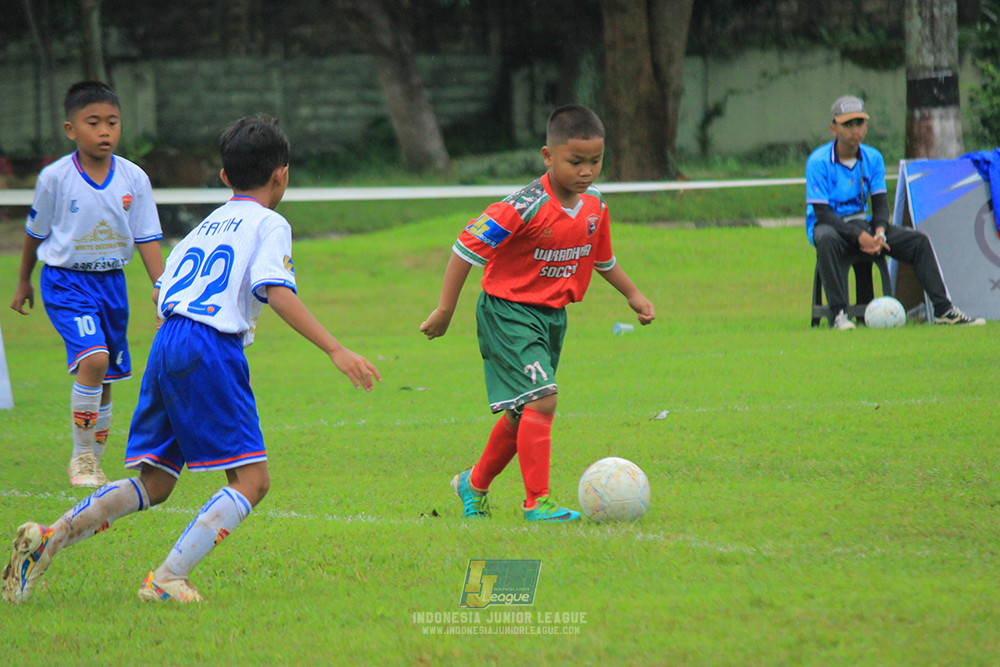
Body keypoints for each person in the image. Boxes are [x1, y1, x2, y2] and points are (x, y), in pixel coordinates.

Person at [2, 114, 381, 604]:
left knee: (156, 481)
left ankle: (49, 539)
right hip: (209, 346)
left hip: (169, 340)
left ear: (224, 176)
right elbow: (275, 290)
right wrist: (335, 348)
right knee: (252, 481)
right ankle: (167, 578)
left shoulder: (204, 226)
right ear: (282, 174)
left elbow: (162, 291)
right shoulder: (271, 223)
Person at [420, 105, 655, 522]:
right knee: (543, 399)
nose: (587, 171)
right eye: (576, 161)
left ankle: (473, 484)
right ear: (548, 156)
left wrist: (633, 295)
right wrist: (444, 310)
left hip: (551, 317)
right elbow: (464, 249)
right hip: (508, 313)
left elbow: (602, 259)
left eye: (596, 161)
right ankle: (537, 502)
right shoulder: (521, 207)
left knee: (522, 412)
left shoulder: (595, 204)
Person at [9, 81, 166, 487]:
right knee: (94, 360)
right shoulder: (55, 178)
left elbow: (147, 237)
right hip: (65, 282)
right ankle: (80, 458)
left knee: (106, 378)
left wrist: (164, 290)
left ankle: (94, 462)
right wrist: (24, 281)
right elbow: (35, 233)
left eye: (112, 122)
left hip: (111, 283)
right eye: (93, 122)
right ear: (71, 129)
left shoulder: (133, 178)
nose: (104, 131)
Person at [806, 95, 985, 329]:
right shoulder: (818, 161)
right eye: (847, 124)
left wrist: (879, 232)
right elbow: (822, 214)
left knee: (918, 242)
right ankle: (839, 314)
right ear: (834, 128)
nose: (855, 130)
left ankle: (944, 310)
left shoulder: (873, 157)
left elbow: (880, 205)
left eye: (859, 123)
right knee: (826, 238)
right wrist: (859, 237)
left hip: (862, 225)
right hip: (830, 226)